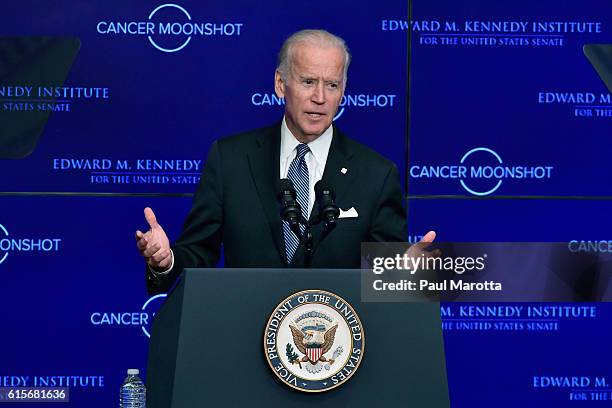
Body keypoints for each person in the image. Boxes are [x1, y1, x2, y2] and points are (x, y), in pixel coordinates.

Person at [136, 29, 435, 294]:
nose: (320, 97)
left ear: (343, 90)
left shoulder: (376, 174)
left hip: (337, 346)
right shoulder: (231, 160)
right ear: (281, 84)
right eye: (308, 81)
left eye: (332, 85)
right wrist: (167, 260)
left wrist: (410, 275)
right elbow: (198, 253)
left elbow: (388, 276)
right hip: (243, 340)